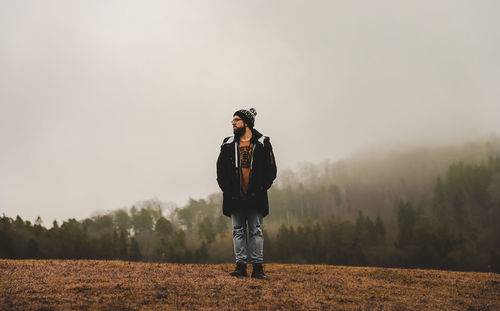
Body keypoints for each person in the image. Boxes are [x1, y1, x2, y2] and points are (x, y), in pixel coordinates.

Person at [216, 108, 277, 279]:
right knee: (238, 231)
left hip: (255, 198)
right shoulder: (227, 143)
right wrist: (228, 191)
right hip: (234, 198)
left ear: (246, 122)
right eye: (233, 121)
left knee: (256, 231)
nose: (233, 123)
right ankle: (240, 267)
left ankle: (258, 269)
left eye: (236, 120)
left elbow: (271, 171)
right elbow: (220, 171)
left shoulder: (263, 142)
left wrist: (260, 189)